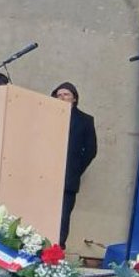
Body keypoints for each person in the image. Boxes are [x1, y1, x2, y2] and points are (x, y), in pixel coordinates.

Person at [53, 82, 97, 249]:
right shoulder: (49, 116)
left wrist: (76, 169)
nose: (62, 98)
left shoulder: (85, 120)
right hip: (46, 175)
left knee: (63, 216)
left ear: (74, 98)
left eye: (66, 95)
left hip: (68, 177)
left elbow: (91, 150)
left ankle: (58, 249)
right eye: (58, 95)